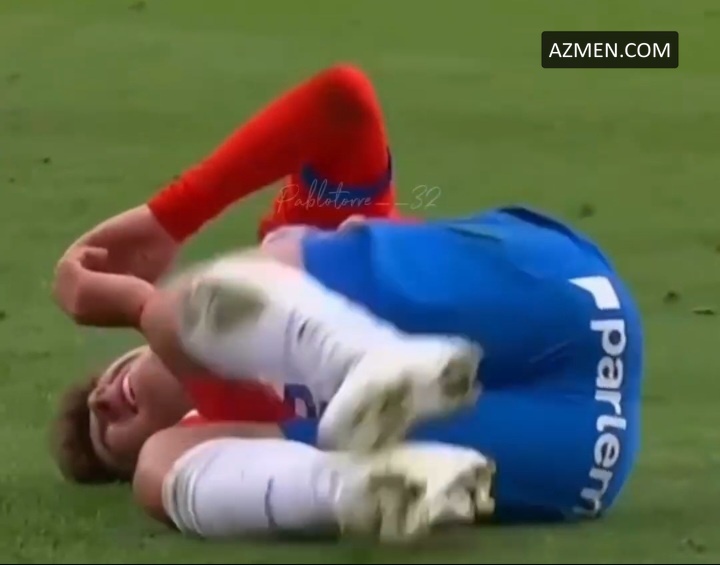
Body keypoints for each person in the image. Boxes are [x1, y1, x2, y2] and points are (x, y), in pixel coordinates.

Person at [51, 63, 407, 482]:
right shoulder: (261, 453)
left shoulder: (294, 248)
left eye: (114, 373)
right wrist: (139, 308)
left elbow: (342, 104)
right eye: (107, 437)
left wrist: (171, 218)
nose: (101, 400)